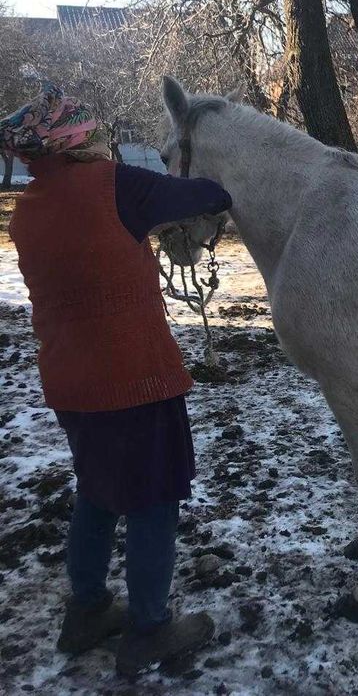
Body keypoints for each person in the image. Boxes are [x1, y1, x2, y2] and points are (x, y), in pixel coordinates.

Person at [1, 83, 232, 677]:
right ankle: (149, 629)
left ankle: (86, 612)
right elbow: (208, 193)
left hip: (71, 383)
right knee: (154, 500)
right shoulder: (116, 186)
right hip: (134, 380)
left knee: (98, 492)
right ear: (79, 139)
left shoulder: (29, 207)